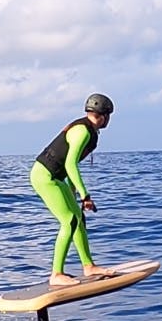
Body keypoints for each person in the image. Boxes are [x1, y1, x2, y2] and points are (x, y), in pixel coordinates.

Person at [32, 93, 118, 287]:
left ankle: (89, 266)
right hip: (44, 177)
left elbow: (71, 165)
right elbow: (70, 164)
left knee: (78, 218)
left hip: (56, 178)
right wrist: (85, 195)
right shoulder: (83, 132)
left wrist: (73, 192)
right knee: (69, 221)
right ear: (104, 116)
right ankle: (56, 274)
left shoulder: (87, 130)